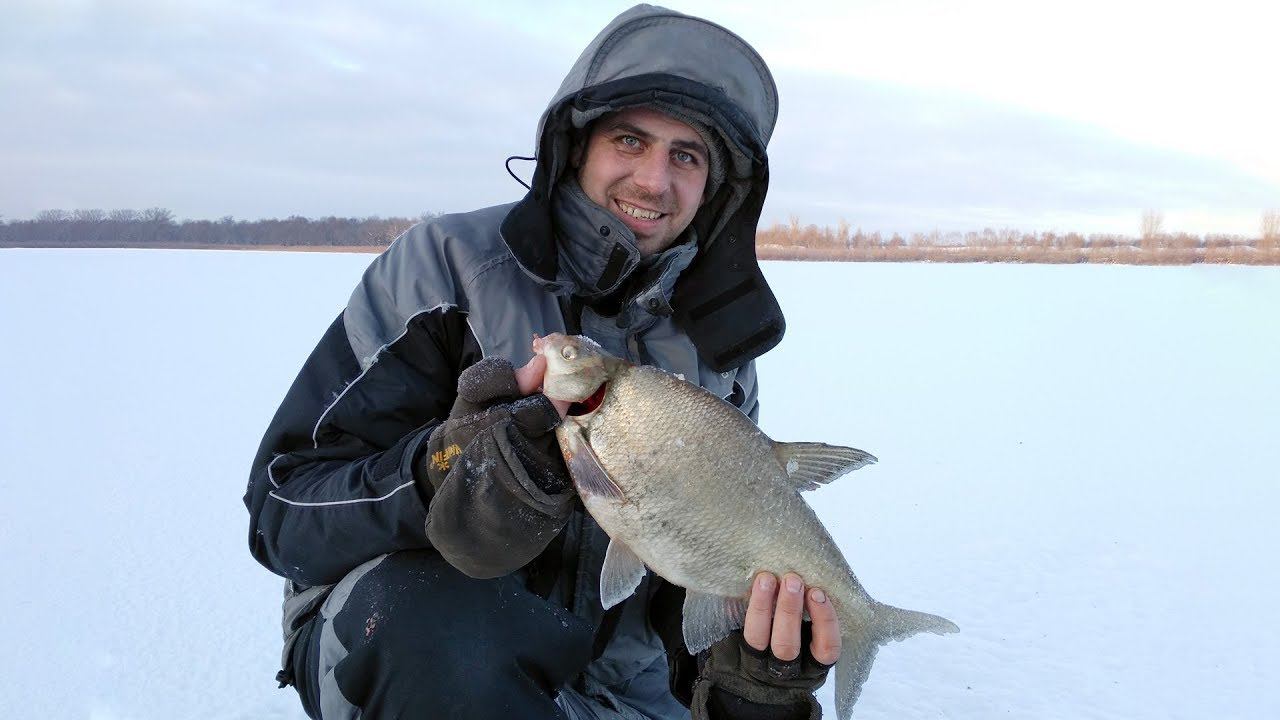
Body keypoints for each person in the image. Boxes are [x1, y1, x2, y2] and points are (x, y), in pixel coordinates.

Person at [245, 5, 841, 718]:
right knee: (441, 633)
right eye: (630, 140)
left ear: (716, 189)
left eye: (686, 156)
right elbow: (284, 512)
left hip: (622, 688)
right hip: (398, 643)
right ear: (575, 145)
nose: (654, 181)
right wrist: (441, 471)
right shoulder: (447, 270)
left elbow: (688, 562)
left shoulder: (718, 341)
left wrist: (742, 679)